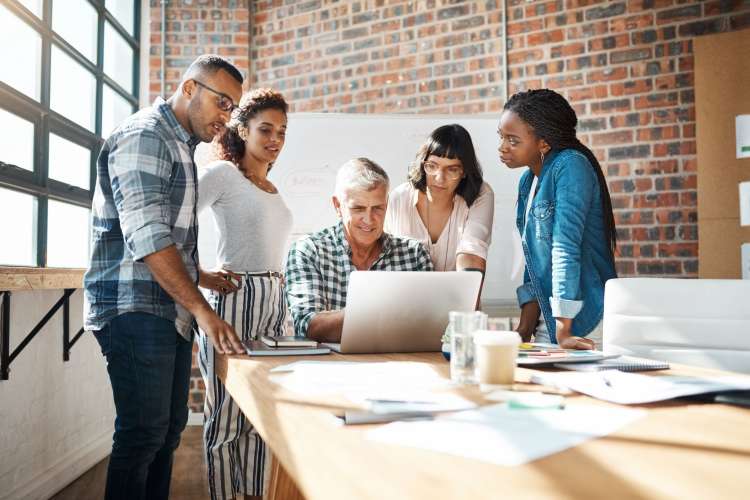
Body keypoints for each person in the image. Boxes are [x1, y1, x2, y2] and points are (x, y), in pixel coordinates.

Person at [83, 55, 246, 500]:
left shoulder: (180, 146)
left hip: (164, 307)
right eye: (222, 102)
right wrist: (203, 310)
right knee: (142, 435)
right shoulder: (145, 136)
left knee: (168, 431)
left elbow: (164, 234)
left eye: (233, 108)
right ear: (190, 89)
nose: (226, 118)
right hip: (134, 307)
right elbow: (149, 237)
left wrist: (203, 277)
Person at [196, 88, 293, 500]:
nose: (274, 139)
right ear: (242, 129)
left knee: (264, 415)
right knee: (227, 416)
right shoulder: (223, 175)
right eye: (265, 129)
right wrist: (198, 275)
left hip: (275, 299)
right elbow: (174, 218)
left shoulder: (270, 187)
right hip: (237, 298)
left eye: (282, 132)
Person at [498, 88, 617, 350]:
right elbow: (533, 264)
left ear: (543, 142)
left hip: (583, 324)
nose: (503, 147)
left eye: (513, 140)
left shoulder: (571, 166)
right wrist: (524, 328)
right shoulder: (528, 181)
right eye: (502, 137)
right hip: (552, 325)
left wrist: (564, 329)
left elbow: (565, 248)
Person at [285, 157, 434, 342]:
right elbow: (307, 326)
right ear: (337, 206)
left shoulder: (415, 254)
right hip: (331, 368)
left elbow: (430, 325)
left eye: (378, 208)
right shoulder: (308, 251)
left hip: (398, 364)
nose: (369, 219)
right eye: (358, 208)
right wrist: (381, 310)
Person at [385, 124, 494, 294]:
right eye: (432, 166)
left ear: (465, 171)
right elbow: (387, 260)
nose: (439, 178)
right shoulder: (399, 198)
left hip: (456, 300)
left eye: (452, 169)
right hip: (405, 302)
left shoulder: (480, 195)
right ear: (423, 165)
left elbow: (472, 254)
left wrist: (465, 314)